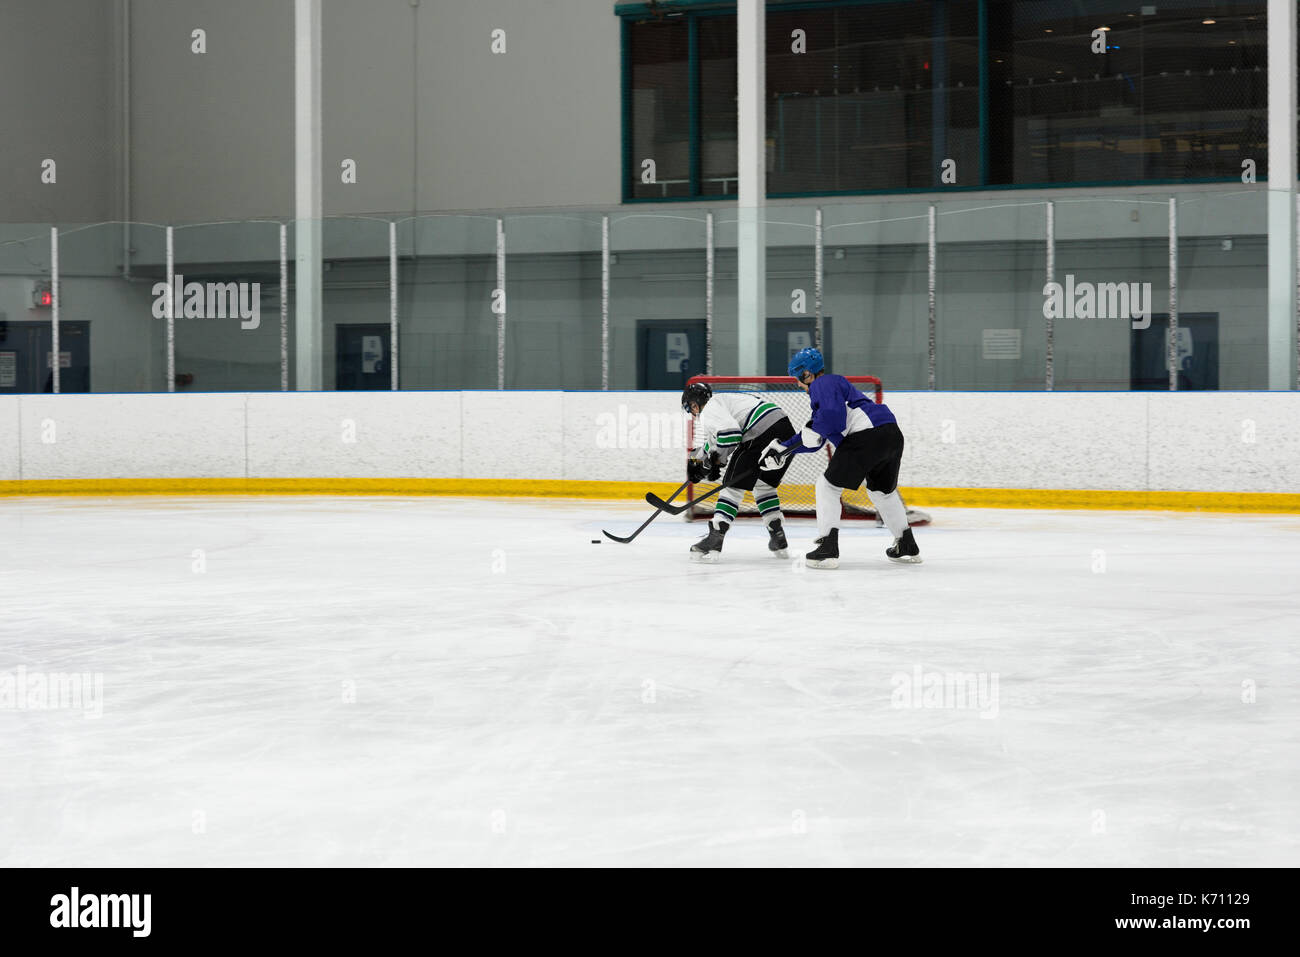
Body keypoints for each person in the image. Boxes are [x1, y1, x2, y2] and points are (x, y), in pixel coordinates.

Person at [760, 348, 921, 569]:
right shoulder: (831, 394)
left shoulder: (823, 384)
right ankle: (906, 544)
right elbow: (816, 439)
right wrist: (783, 450)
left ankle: (827, 548)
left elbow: (831, 423)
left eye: (798, 378)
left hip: (866, 436)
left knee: (827, 487)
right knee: (881, 492)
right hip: (890, 434)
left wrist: (790, 446)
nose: (797, 384)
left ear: (807, 374)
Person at [681, 381, 796, 563]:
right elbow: (712, 445)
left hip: (759, 432)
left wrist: (717, 461)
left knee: (732, 488)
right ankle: (777, 534)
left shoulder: (710, 409)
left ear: (694, 404)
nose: (693, 414)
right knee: (764, 486)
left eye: (691, 409)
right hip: (786, 433)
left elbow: (731, 435)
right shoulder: (725, 404)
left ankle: (715, 537)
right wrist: (698, 464)